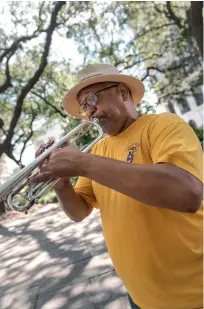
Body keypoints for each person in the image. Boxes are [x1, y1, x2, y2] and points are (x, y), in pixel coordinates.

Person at [32, 64, 203, 309]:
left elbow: (187, 194)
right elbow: (79, 211)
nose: (89, 110)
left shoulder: (163, 125)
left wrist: (83, 163)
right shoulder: (98, 150)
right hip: (139, 295)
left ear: (123, 92)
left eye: (93, 98)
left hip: (192, 295)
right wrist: (61, 185)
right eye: (84, 105)